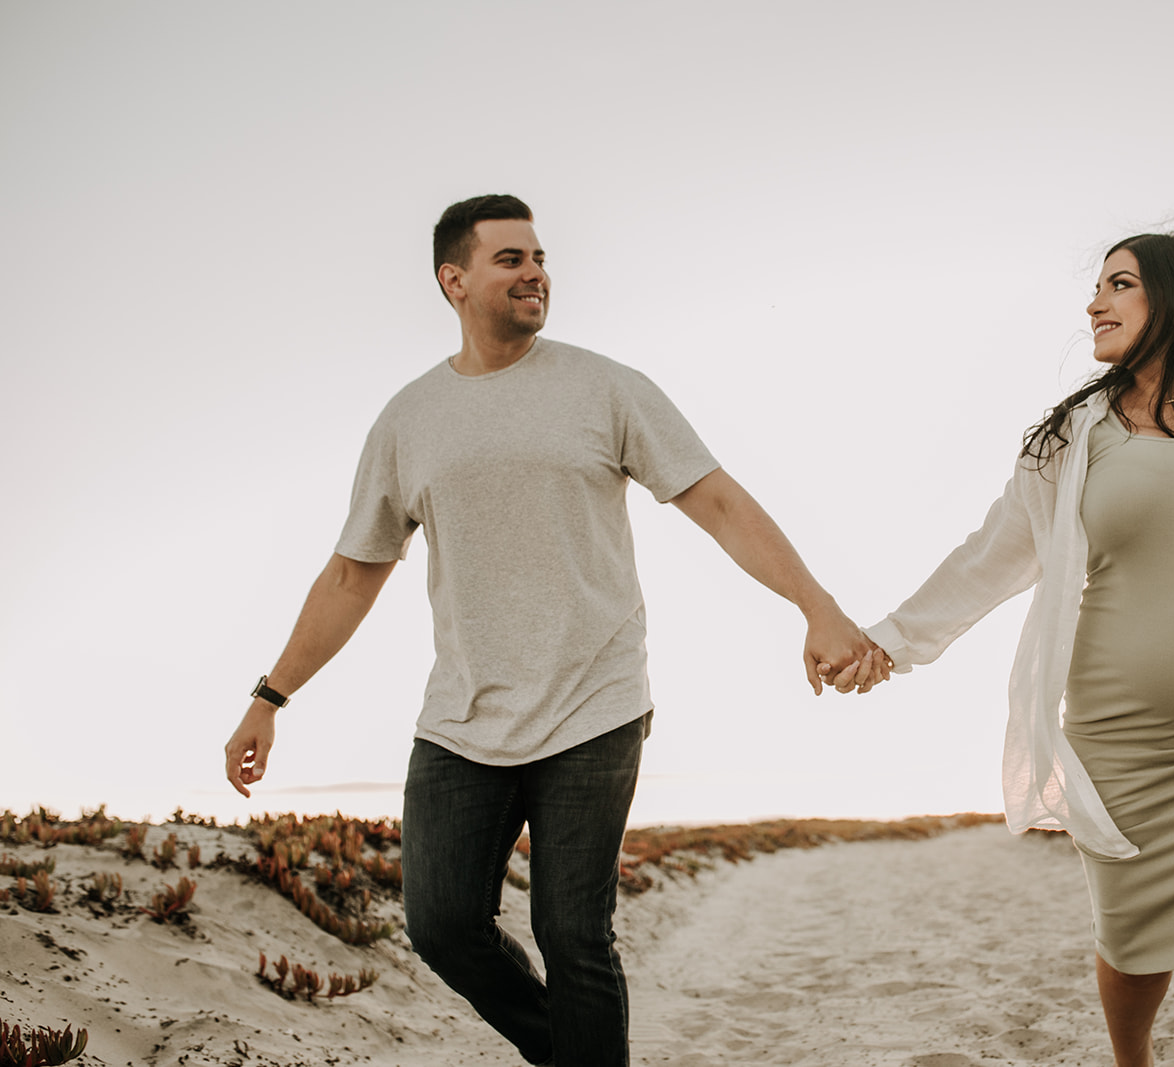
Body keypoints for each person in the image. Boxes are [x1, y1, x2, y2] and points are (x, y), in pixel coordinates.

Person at [222, 193, 888, 1067]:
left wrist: (817, 604)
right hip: (461, 719)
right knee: (443, 924)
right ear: (453, 280)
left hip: (594, 703)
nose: (535, 271)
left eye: (539, 257)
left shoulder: (605, 387)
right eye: (510, 259)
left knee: (574, 933)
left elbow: (717, 501)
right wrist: (271, 696)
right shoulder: (408, 420)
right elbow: (353, 573)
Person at [845, 232, 1174, 1067]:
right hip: (1125, 745)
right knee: (1134, 950)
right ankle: (1134, 1059)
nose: (1095, 303)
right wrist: (890, 640)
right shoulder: (1074, 438)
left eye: (1119, 284)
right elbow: (991, 556)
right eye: (1098, 287)